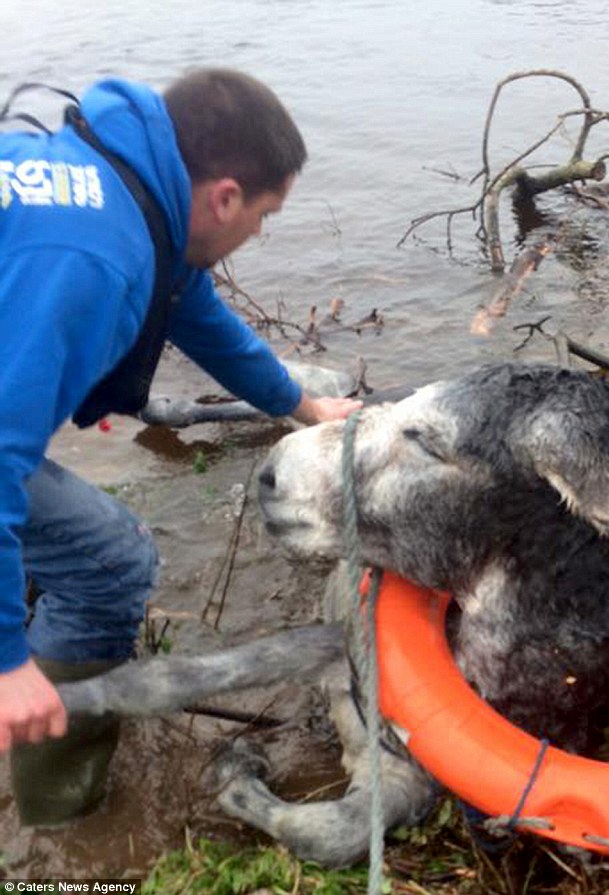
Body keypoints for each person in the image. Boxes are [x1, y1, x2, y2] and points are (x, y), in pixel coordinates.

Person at [0, 68, 361, 824]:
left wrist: (303, 403)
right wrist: (7, 661)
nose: (258, 234)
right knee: (112, 558)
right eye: (264, 215)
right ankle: (60, 820)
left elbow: (205, 323)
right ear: (225, 197)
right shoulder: (92, 254)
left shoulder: (124, 188)